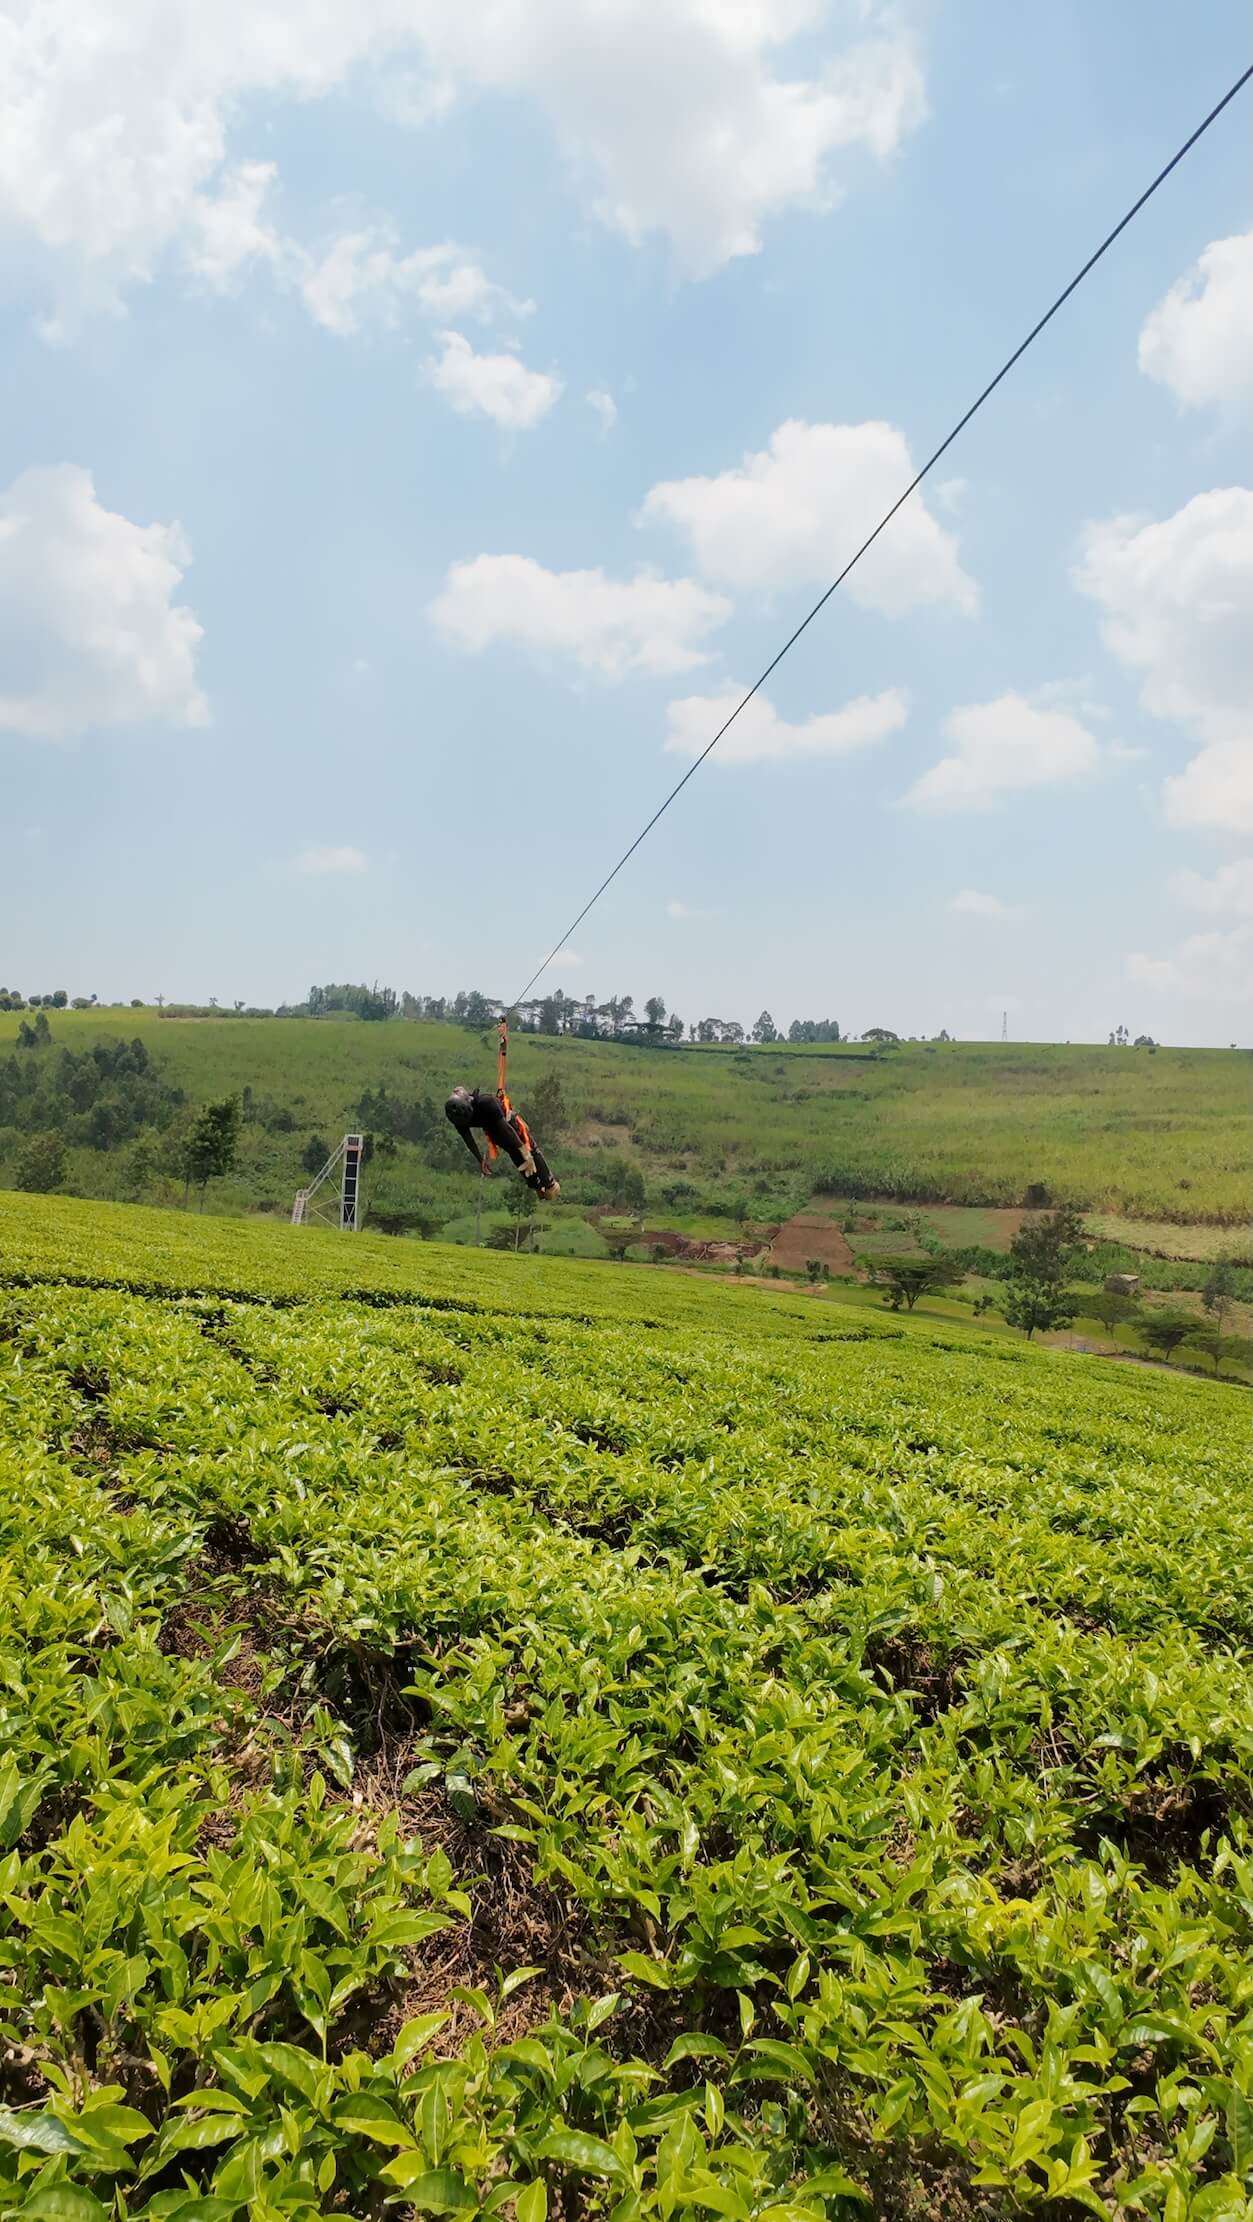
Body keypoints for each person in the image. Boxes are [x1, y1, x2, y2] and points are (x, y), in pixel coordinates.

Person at [445, 1085, 560, 1200]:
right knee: (518, 1158)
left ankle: (549, 1183)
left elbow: (506, 1128)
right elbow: (468, 1139)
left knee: (530, 1152)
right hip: (496, 1134)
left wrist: (524, 1151)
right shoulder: (458, 1118)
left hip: (510, 1125)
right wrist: (480, 1160)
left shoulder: (486, 1103)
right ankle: (537, 1186)